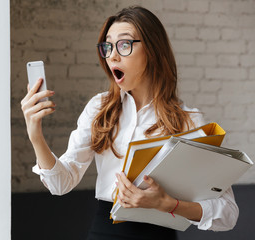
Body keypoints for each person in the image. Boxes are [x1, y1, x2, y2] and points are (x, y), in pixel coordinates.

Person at [20, 6, 239, 240]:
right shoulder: (99, 108)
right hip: (104, 232)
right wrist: (35, 135)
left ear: (153, 50)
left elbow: (227, 214)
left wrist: (167, 203)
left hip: (159, 234)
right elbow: (60, 184)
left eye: (124, 45)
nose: (112, 55)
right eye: (108, 46)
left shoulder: (189, 120)